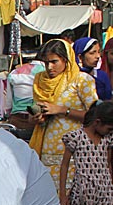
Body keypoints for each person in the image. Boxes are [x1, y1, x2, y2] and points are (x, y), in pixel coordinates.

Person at [29, 39, 98, 195]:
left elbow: (95, 116)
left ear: (66, 60)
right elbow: (34, 115)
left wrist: (62, 110)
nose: (49, 67)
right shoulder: (41, 81)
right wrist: (35, 119)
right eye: (46, 63)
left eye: (54, 62)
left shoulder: (81, 80)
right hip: (47, 153)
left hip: (75, 154)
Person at [3, 58, 44, 135]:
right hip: (36, 118)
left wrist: (8, 114)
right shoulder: (45, 72)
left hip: (16, 117)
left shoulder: (14, 72)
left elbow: (9, 100)